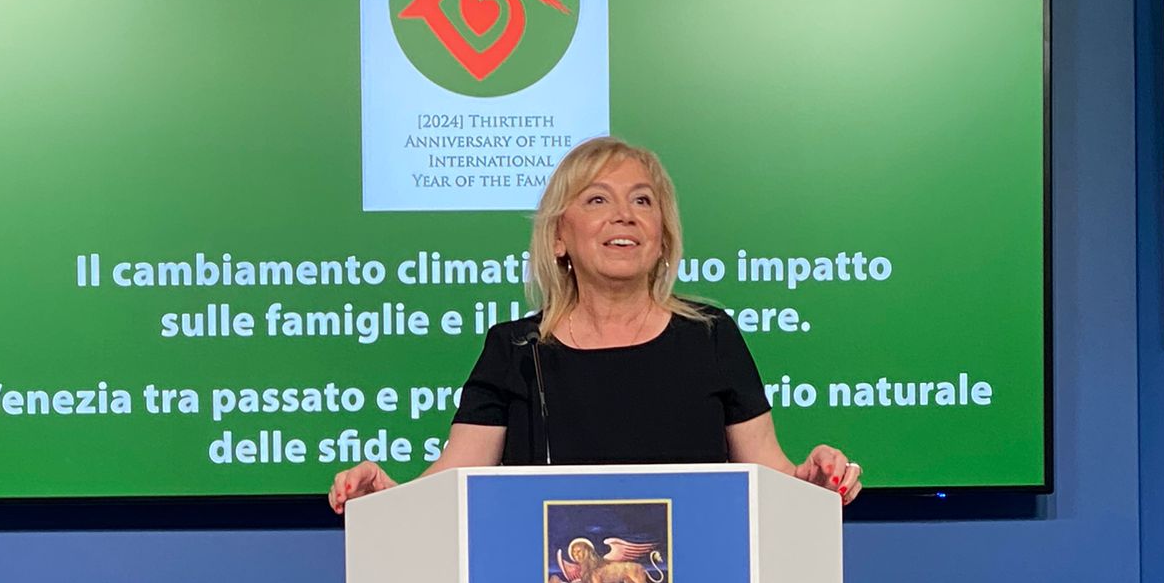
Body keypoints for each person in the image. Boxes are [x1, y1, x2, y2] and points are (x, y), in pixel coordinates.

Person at [328, 136, 862, 511]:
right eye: (598, 200)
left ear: (662, 237)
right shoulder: (515, 349)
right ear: (560, 237)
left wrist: (811, 480)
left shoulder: (711, 337)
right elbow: (452, 481)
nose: (624, 215)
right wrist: (386, 498)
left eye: (642, 201)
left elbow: (769, 474)